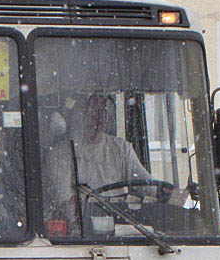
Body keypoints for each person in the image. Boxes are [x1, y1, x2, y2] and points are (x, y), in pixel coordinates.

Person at [43, 92, 153, 232]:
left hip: (120, 230)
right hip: (80, 234)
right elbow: (66, 204)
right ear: (80, 115)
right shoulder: (60, 154)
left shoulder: (121, 149)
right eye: (94, 113)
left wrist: (166, 193)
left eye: (104, 112)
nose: (100, 119)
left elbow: (145, 183)